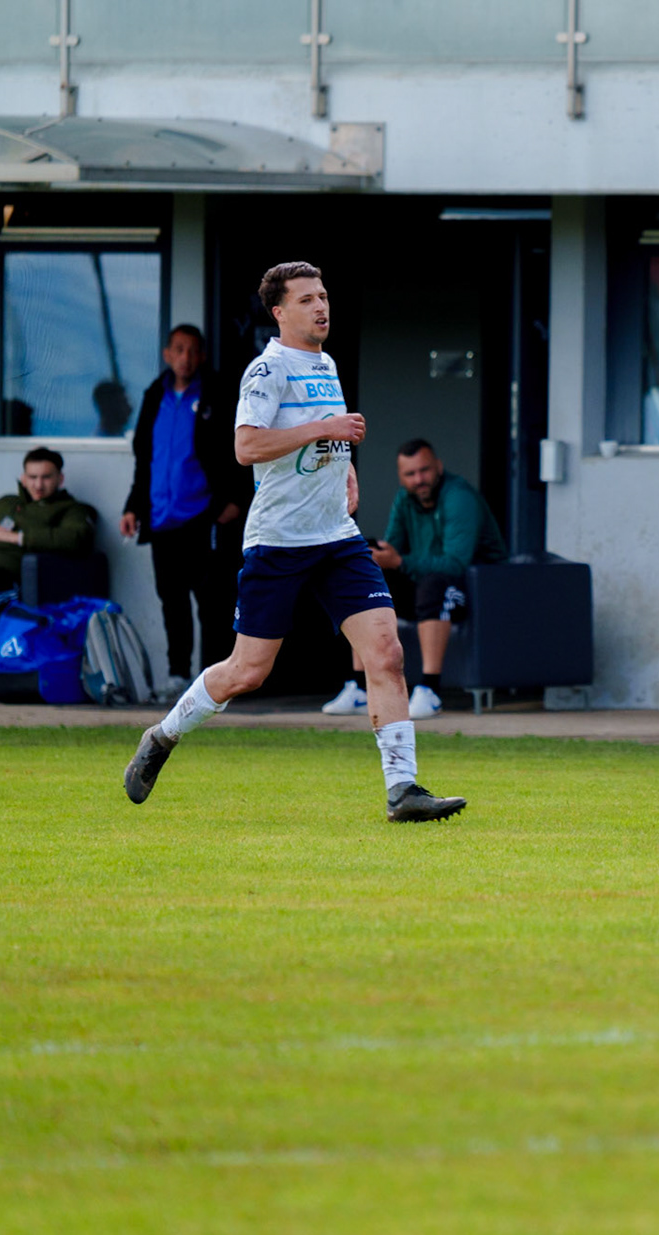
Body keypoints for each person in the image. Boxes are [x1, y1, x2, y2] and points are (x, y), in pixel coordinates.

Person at [123, 261, 465, 823]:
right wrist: (323, 431)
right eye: (306, 299)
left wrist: (344, 467)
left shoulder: (325, 363)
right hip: (278, 543)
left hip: (337, 538)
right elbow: (247, 447)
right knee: (247, 672)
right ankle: (162, 736)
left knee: (387, 653)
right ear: (279, 312)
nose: (321, 306)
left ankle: (403, 791)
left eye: (324, 295)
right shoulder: (266, 370)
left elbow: (326, 436)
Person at [322, 437, 505, 719]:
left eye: (425, 470)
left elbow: (455, 564)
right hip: (423, 581)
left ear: (438, 467)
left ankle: (430, 690)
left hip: (476, 588)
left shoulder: (459, 497)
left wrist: (399, 561)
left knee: (435, 586)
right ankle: (360, 687)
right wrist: (375, 557)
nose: (419, 479)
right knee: (363, 581)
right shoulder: (404, 499)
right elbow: (393, 548)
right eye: (411, 474)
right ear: (401, 476)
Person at [119, 324, 249, 698]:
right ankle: (178, 676)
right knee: (171, 601)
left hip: (203, 515)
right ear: (167, 354)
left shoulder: (218, 394)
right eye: (178, 350)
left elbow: (239, 450)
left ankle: (216, 682)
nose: (186, 358)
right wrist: (134, 506)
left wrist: (235, 500)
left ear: (202, 356)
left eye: (193, 351)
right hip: (162, 517)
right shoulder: (154, 395)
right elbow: (145, 459)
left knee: (212, 601)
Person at [0, 447, 98, 593]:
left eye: (46, 477)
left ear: (60, 478)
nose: (38, 485)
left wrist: (17, 537)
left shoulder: (70, 509)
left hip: (9, 576)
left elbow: (77, 538)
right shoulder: (7, 502)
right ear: (23, 478)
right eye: (33, 477)